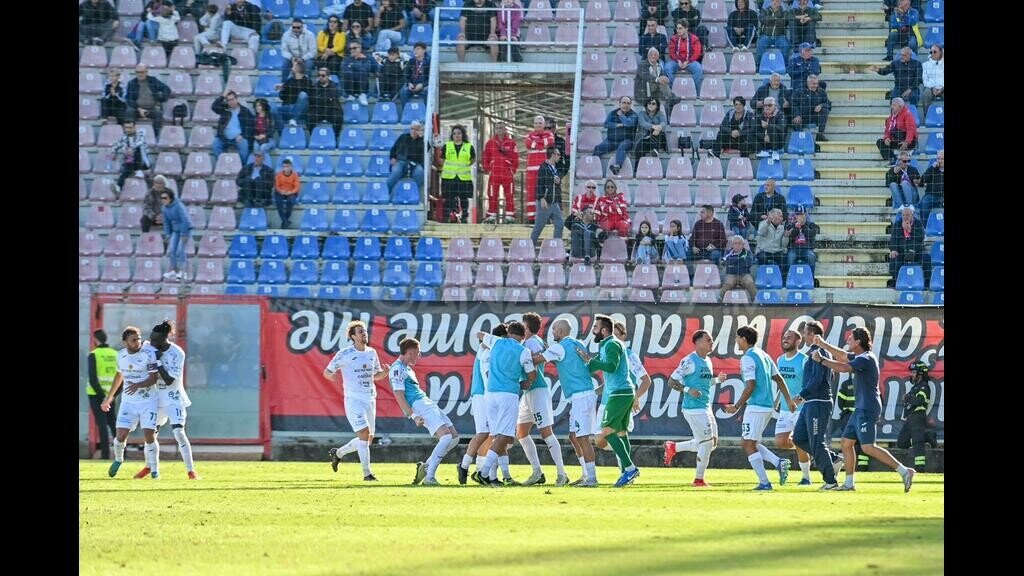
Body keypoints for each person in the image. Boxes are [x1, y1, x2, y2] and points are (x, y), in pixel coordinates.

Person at [811, 328, 916, 492]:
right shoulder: (862, 357)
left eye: (851, 338)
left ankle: (905, 471)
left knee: (868, 447)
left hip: (867, 407)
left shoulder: (866, 358)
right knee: (846, 444)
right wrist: (824, 344)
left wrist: (822, 360)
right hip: (861, 407)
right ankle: (849, 483)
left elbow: (844, 368)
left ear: (858, 342)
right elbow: (844, 356)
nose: (847, 341)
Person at [724, 325, 795, 490]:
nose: (736, 341)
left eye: (737, 337)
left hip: (756, 406)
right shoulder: (764, 355)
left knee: (748, 445)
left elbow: (750, 385)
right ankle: (778, 462)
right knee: (748, 442)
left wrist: (736, 406)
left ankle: (764, 483)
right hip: (767, 406)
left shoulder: (748, 358)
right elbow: (779, 379)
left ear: (743, 339)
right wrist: (788, 400)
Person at [534, 319, 600, 487]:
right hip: (582, 395)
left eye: (555, 329)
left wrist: (520, 355)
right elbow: (563, 360)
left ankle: (591, 478)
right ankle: (586, 474)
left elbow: (537, 360)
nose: (553, 332)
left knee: (583, 438)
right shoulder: (576, 343)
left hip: (581, 397)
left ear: (562, 330)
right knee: (574, 436)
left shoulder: (560, 347)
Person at [577, 314, 640, 488]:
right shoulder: (608, 344)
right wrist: (590, 362)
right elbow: (601, 363)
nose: (593, 330)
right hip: (623, 392)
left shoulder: (611, 344)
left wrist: (592, 363)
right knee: (620, 432)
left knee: (604, 432)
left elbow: (611, 366)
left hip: (619, 393)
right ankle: (626, 471)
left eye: (595, 327)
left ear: (604, 330)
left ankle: (630, 468)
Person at [325, 321, 391, 482]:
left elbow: (375, 375)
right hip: (354, 400)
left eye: (365, 331)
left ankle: (338, 453)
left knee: (367, 439)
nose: (364, 334)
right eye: (360, 332)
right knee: (363, 434)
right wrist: (330, 376)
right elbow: (327, 371)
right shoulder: (345, 354)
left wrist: (385, 373)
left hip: (370, 398)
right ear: (353, 336)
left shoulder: (371, 352)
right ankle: (367, 474)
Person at [474, 321, 537, 487]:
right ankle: (483, 471)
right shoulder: (523, 350)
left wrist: (489, 339)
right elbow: (532, 375)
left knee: (497, 435)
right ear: (523, 337)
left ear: (509, 332)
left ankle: (500, 476)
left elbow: (479, 334)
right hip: (508, 394)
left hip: (491, 393)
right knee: (505, 435)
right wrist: (525, 383)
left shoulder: (496, 341)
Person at [133, 321, 198, 480]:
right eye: (151, 339)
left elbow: (169, 380)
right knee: (150, 434)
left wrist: (159, 362)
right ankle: (149, 467)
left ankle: (191, 471)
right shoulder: (148, 347)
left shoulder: (177, 353)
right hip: (156, 398)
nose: (152, 342)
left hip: (173, 397)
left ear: (165, 338)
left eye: (156, 340)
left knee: (179, 432)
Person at [390, 338, 459, 486]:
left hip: (426, 402)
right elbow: (399, 395)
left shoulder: (407, 368)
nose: (419, 356)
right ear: (410, 352)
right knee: (446, 437)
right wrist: (413, 415)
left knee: (454, 438)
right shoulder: (397, 369)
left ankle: (426, 467)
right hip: (420, 405)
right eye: (418, 353)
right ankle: (429, 477)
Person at [663, 330, 727, 486]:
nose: (712, 343)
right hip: (693, 408)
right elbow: (671, 382)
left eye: (712, 340)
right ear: (697, 342)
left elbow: (705, 383)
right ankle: (699, 479)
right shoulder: (689, 361)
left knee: (712, 443)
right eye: (708, 340)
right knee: (706, 442)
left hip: (706, 407)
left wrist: (717, 380)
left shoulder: (708, 361)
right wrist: (687, 390)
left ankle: (673, 447)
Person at [514, 313, 569, 487]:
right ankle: (537, 472)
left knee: (546, 432)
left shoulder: (531, 342)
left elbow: (534, 362)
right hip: (529, 391)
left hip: (537, 390)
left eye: (523, 325)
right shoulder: (533, 341)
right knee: (521, 433)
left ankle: (562, 473)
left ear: (527, 327)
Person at [100, 326, 160, 479]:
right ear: (125, 342)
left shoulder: (149, 354)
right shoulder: (120, 356)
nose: (138, 341)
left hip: (148, 401)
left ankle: (154, 470)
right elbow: (119, 376)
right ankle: (118, 460)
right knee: (120, 436)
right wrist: (109, 397)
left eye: (139, 338)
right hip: (128, 402)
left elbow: (154, 378)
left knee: (149, 436)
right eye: (134, 339)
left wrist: (137, 385)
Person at [791, 320, 844, 489]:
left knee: (817, 442)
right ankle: (833, 459)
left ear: (813, 335)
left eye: (806, 332)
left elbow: (818, 378)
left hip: (818, 402)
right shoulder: (815, 352)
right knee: (798, 438)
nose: (804, 335)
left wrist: (801, 395)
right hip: (811, 403)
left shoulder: (820, 352)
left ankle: (830, 481)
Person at [458, 324, 507, 485]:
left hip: (482, 395)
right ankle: (490, 476)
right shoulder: (488, 351)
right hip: (484, 395)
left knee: (485, 434)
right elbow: (488, 377)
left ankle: (467, 466)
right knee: (493, 435)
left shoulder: (487, 349)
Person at [773, 330, 811, 484]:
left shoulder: (804, 360)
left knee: (798, 440)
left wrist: (800, 399)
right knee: (781, 441)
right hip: (784, 408)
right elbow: (781, 384)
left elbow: (810, 384)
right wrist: (777, 400)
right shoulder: (780, 360)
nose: (785, 340)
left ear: (798, 341)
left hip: (800, 409)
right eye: (784, 338)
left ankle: (806, 478)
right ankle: (809, 449)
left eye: (789, 338)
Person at [87, 329, 118, 460]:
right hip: (112, 394)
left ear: (95, 339)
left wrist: (103, 397)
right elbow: (121, 377)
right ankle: (121, 453)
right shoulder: (116, 354)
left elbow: (93, 379)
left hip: (96, 395)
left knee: (102, 424)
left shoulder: (94, 354)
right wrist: (112, 396)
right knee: (113, 423)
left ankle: (105, 455)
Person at [897, 360, 933, 472]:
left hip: (918, 416)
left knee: (918, 442)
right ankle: (928, 436)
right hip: (910, 418)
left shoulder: (924, 386)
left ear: (920, 374)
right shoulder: (915, 387)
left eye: (913, 372)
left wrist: (907, 398)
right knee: (901, 442)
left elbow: (920, 401)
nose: (911, 375)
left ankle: (920, 468)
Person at [482, 122, 519, 223]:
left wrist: (512, 170)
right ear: (495, 129)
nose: (499, 130)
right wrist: (488, 169)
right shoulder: (490, 143)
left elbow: (515, 158)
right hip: (494, 173)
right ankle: (491, 216)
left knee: (509, 194)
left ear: (505, 129)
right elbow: (486, 157)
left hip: (507, 173)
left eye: (501, 128)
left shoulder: (511, 143)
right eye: (497, 128)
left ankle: (510, 217)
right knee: (492, 194)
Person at [440, 125, 476, 223]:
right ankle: (448, 215)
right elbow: (442, 159)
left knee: (464, 198)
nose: (457, 135)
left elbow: (473, 160)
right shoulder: (447, 146)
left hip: (463, 177)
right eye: (455, 133)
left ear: (463, 135)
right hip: (449, 177)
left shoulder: (469, 147)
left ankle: (464, 216)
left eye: (459, 133)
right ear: (452, 135)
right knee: (449, 198)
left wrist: (463, 166)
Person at [529, 147, 565, 245]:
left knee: (560, 224)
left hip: (554, 203)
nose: (559, 156)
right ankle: (530, 248)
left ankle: (556, 246)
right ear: (552, 155)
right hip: (545, 202)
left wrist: (559, 181)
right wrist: (541, 198)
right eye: (557, 154)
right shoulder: (543, 167)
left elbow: (556, 186)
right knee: (539, 227)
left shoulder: (556, 168)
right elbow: (539, 184)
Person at [524, 115, 555, 223]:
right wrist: (542, 144)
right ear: (533, 124)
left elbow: (550, 142)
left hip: (544, 169)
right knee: (531, 193)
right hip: (532, 170)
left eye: (540, 123)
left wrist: (536, 144)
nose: (538, 125)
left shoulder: (549, 134)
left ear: (544, 124)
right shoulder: (529, 135)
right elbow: (528, 143)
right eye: (536, 123)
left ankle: (545, 217)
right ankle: (531, 218)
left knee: (545, 192)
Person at [160, 190, 193, 282]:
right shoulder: (164, 208)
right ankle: (174, 270)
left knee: (180, 250)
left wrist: (184, 234)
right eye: (162, 198)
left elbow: (185, 220)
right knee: (171, 250)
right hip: (175, 230)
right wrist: (167, 234)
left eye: (165, 198)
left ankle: (183, 272)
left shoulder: (179, 206)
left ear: (170, 198)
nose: (163, 200)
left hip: (185, 229)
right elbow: (166, 222)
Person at [387, 121, 426, 193]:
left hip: (415, 163)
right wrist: (393, 158)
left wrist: (421, 138)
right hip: (401, 161)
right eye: (412, 129)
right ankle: (386, 192)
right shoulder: (403, 137)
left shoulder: (423, 141)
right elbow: (393, 149)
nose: (413, 131)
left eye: (416, 129)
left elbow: (425, 151)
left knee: (420, 172)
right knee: (396, 172)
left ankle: (413, 192)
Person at [274, 158, 301, 228]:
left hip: (291, 192)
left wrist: (291, 192)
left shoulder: (295, 175)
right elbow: (276, 186)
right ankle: (285, 221)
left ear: (291, 167)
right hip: (281, 192)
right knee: (278, 201)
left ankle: (284, 221)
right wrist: (281, 191)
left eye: (287, 166)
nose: (286, 168)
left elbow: (297, 187)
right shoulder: (279, 175)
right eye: (284, 167)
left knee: (290, 201)